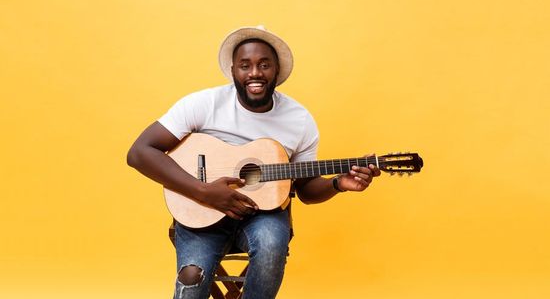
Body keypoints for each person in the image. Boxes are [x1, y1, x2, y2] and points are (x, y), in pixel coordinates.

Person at [126, 25, 380, 298]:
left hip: (264, 215)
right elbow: (139, 152)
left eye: (264, 65)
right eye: (245, 65)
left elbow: (306, 190)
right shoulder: (203, 104)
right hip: (199, 208)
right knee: (192, 278)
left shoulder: (299, 119)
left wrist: (338, 183)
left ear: (276, 71)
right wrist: (204, 191)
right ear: (233, 70)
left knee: (272, 248)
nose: (255, 73)